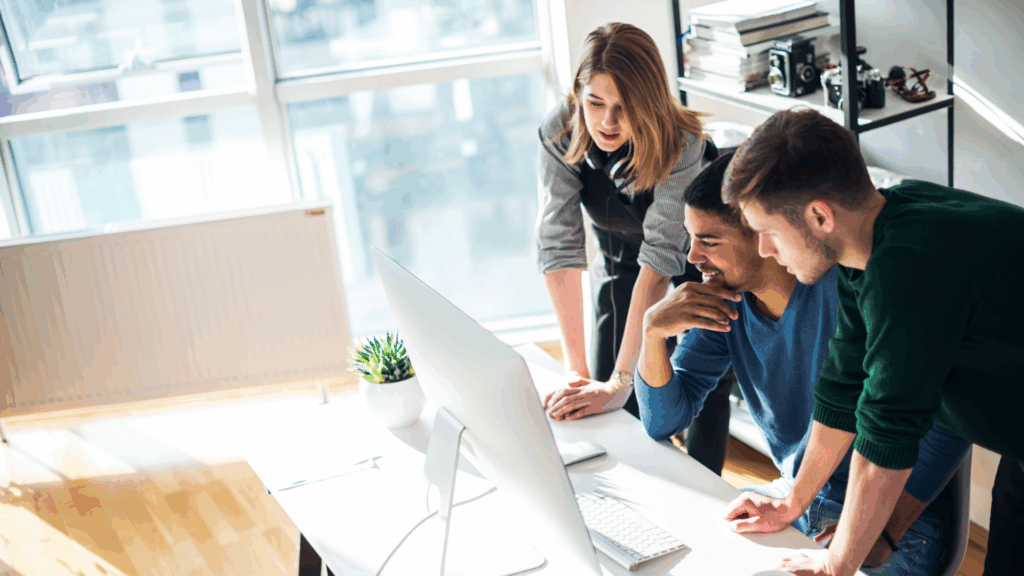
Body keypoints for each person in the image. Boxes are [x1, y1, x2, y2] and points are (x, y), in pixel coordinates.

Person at [719, 107, 1024, 576]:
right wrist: (793, 503)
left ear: (819, 215)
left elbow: (886, 437)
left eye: (768, 233)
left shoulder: (908, 271)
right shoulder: (871, 242)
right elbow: (844, 387)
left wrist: (835, 565)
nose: (764, 251)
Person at [636, 151, 971, 576]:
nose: (693, 257)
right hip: (797, 497)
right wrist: (652, 333)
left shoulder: (850, 288)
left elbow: (951, 418)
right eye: (691, 238)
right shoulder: (721, 301)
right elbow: (662, 422)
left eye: (710, 240)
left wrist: (883, 531)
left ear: (761, 234)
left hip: (887, 520)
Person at [534, 22, 731, 473]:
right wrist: (577, 374)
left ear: (649, 102)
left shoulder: (683, 145)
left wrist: (624, 380)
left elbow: (661, 262)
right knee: (608, 399)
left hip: (689, 266)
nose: (607, 122)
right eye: (595, 103)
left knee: (695, 386)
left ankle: (702, 487)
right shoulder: (558, 132)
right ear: (577, 96)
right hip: (619, 258)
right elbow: (559, 247)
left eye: (624, 108)